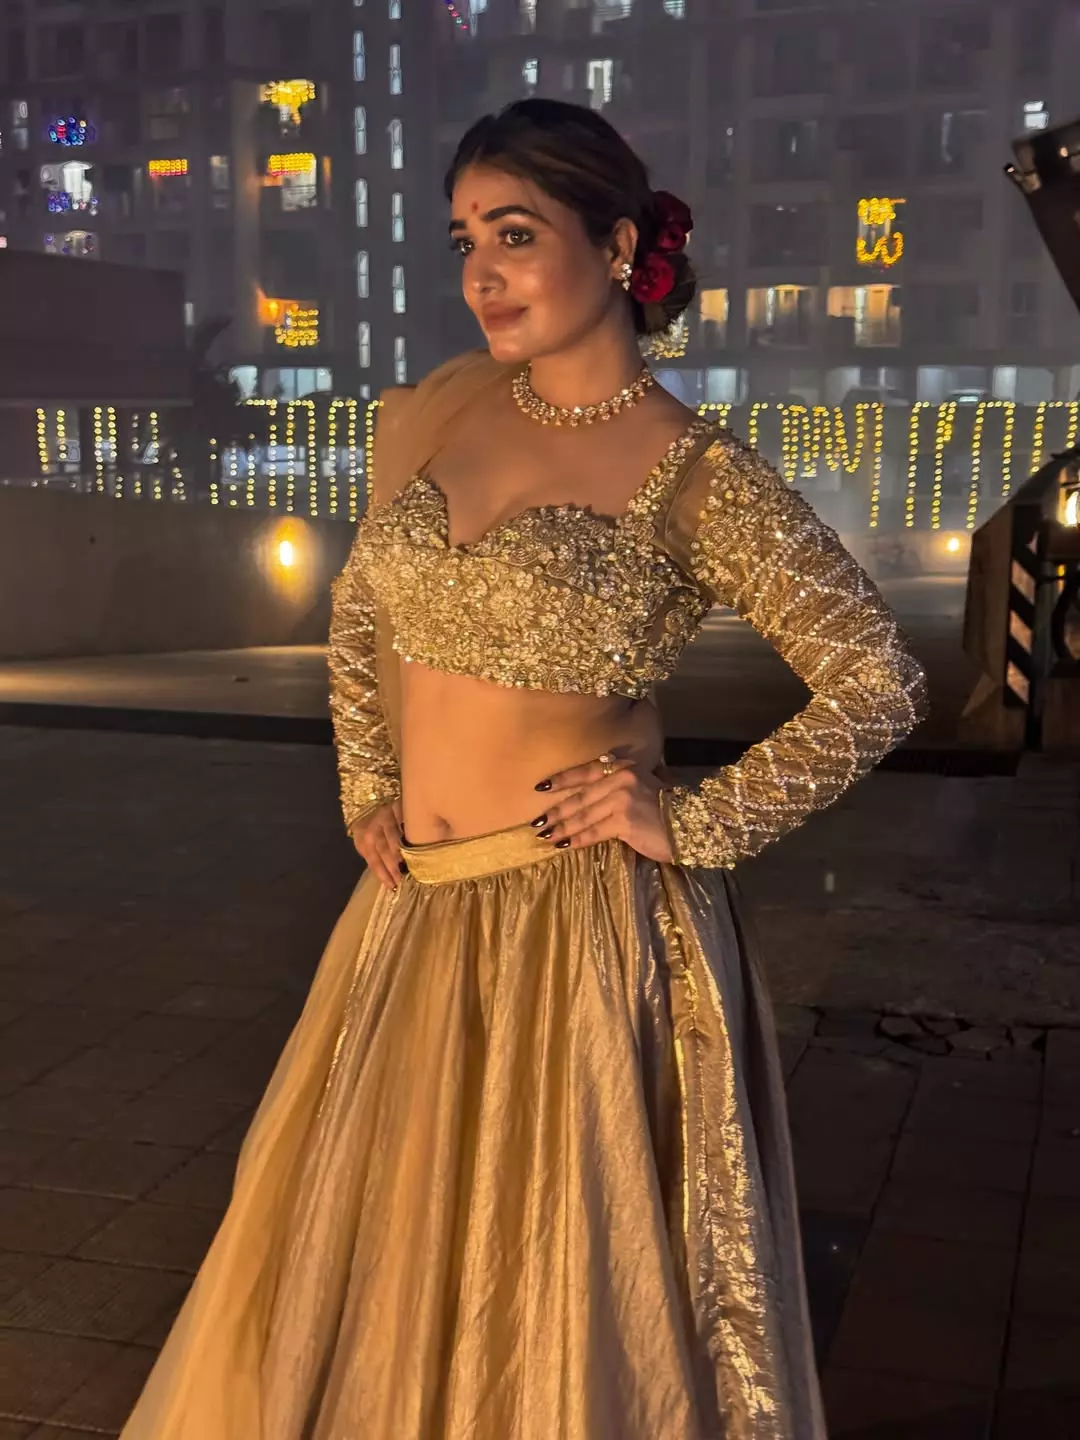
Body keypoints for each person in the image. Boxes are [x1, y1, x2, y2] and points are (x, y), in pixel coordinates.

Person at [122, 99, 926, 1440]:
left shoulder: (698, 475)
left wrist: (698, 819)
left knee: (551, 1287)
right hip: (413, 913)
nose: (481, 275)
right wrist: (368, 784)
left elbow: (878, 682)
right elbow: (364, 611)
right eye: (463, 243)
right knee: (391, 1266)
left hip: (579, 933)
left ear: (616, 247)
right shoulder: (447, 415)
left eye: (515, 234)